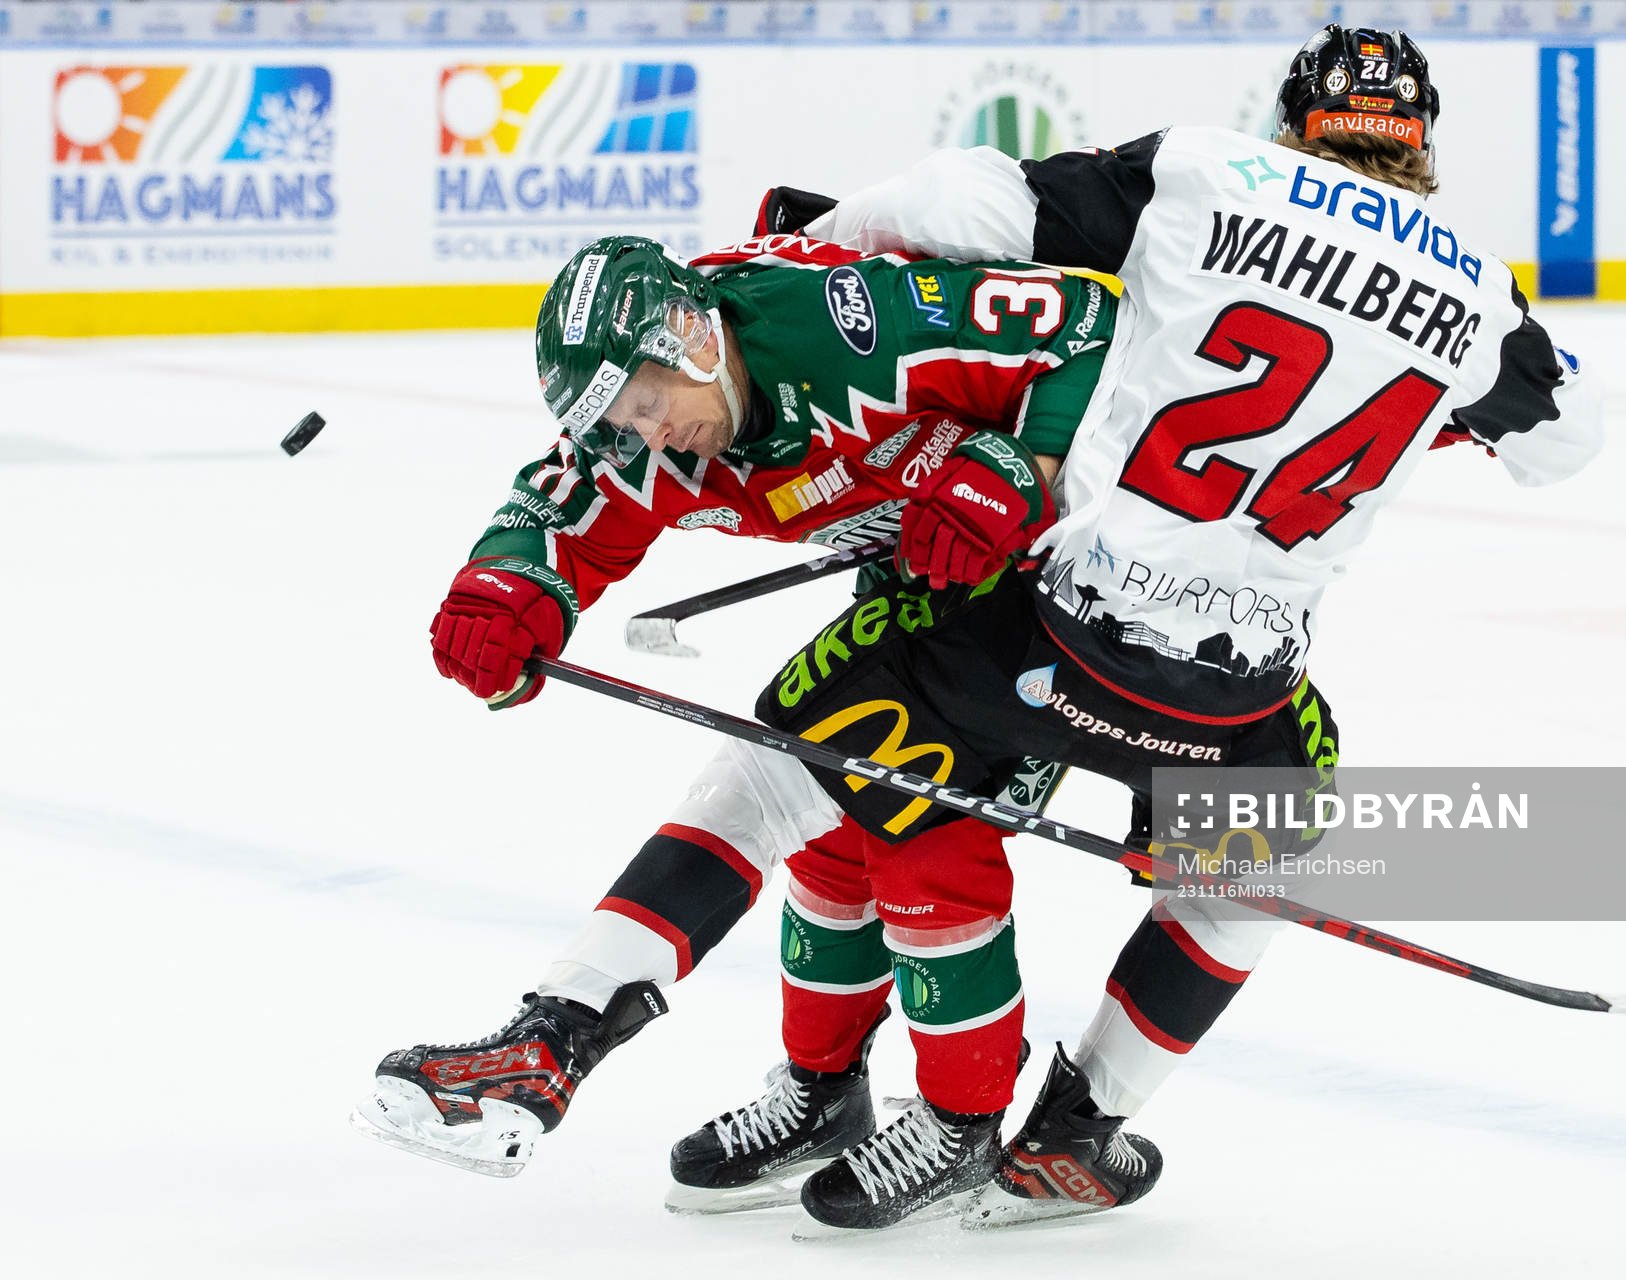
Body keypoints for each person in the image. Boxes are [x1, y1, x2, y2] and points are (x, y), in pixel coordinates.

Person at [720, 23, 1602, 1231]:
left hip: (1052, 636)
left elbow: (957, 200)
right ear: (1424, 145)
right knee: (1263, 847)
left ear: (1298, 118)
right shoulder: (1480, 296)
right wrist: (1427, 402)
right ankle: (1075, 1133)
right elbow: (1568, 439)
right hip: (1223, 700)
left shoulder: (1208, 171)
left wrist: (802, 249)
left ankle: (864, 1087)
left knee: (826, 748)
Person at [354, 232, 1117, 1203]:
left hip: (1090, 600)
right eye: (628, 419)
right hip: (965, 598)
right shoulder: (659, 424)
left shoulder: (852, 326)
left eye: (650, 405)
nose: (654, 434)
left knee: (913, 817)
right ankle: (900, 1106)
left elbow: (1088, 322)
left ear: (691, 336)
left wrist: (1023, 469)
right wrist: (508, 586)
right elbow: (560, 505)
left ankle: (984, 1125)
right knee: (836, 812)